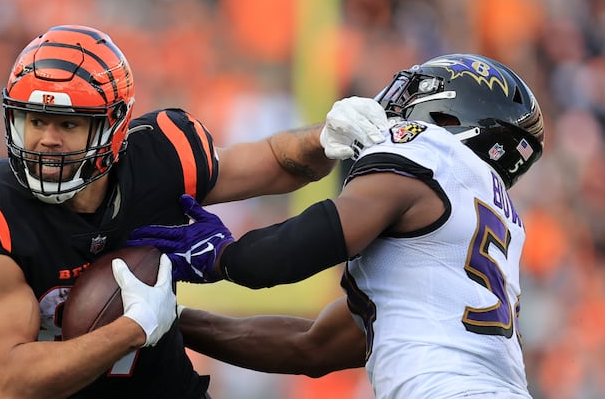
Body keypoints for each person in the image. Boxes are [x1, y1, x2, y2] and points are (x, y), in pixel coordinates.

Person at [0, 24, 388, 399]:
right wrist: (134, 327)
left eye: (69, 124)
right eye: (37, 121)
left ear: (113, 129)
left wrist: (322, 137)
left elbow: (274, 163)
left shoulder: (159, 157)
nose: (47, 140)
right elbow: (6, 382)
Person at [127, 53, 545, 398]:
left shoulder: (429, 148)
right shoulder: (485, 213)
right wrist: (168, 320)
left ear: (449, 114)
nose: (394, 106)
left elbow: (303, 248)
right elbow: (310, 347)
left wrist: (222, 257)